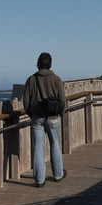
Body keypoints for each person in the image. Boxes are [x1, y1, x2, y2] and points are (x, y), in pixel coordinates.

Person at [23, 52, 68, 188]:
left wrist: (31, 114)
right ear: (50, 64)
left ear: (38, 63)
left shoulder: (31, 79)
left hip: (37, 117)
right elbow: (62, 100)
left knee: (38, 147)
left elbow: (26, 101)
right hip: (53, 117)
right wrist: (60, 113)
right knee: (54, 144)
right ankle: (58, 174)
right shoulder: (56, 79)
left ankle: (39, 179)